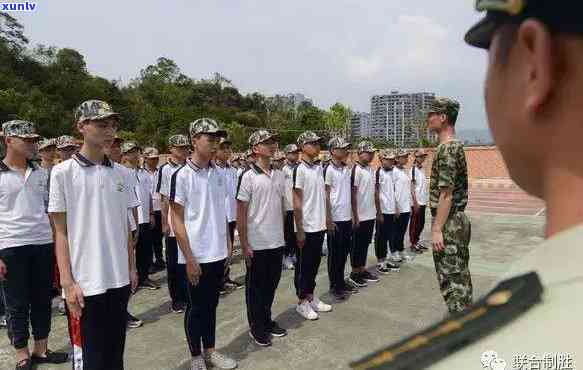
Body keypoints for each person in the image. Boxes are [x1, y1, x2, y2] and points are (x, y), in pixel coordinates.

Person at [49, 100, 138, 370]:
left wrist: (132, 269)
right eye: (101, 125)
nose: (109, 131)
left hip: (119, 278)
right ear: (82, 127)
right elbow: (61, 232)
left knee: (115, 352)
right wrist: (67, 283)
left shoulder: (123, 173)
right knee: (92, 357)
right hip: (86, 283)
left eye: (112, 125)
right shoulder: (63, 173)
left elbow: (125, 227)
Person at [170, 118, 237, 370]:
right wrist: (189, 257)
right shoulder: (182, 175)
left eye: (216, 139)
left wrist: (228, 243)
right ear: (194, 140)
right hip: (195, 254)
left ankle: (210, 350)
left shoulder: (219, 174)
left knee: (211, 305)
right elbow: (176, 218)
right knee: (195, 307)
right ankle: (196, 355)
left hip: (216, 252)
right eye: (210, 139)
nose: (215, 144)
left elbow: (221, 212)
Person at [1, 120, 68, 370]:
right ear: (9, 141)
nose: (33, 144)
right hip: (10, 246)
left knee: (42, 300)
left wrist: (56, 241)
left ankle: (41, 349)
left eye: (34, 140)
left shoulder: (41, 172)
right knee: (16, 303)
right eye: (26, 140)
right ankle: (22, 353)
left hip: (42, 243)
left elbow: (50, 211)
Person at [237, 129, 287, 347]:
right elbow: (241, 213)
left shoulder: (279, 174)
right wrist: (245, 243)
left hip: (276, 241)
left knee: (271, 284)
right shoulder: (247, 177)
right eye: (267, 142)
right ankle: (256, 327)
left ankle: (266, 320)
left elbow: (282, 208)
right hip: (257, 243)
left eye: (273, 141)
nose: (272, 145)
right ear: (256, 149)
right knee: (256, 288)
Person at [293, 131, 332, 320]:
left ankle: (310, 295)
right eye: (313, 143)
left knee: (314, 264)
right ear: (303, 146)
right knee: (303, 266)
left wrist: (326, 219)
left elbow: (321, 197)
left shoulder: (318, 168)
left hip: (318, 224)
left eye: (318, 143)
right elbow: (297, 201)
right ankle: (302, 302)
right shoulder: (299, 169)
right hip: (306, 226)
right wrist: (299, 229)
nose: (317, 146)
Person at [105, 136, 143, 329]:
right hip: (106, 234)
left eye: (118, 145)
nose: (116, 149)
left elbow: (132, 204)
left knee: (127, 273)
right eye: (114, 145)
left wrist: (134, 225)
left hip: (125, 229)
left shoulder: (124, 173)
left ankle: (123, 311)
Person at [156, 134, 190, 313]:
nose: (183, 151)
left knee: (187, 261)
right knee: (174, 263)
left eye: (185, 147)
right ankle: (177, 298)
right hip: (172, 221)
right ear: (171, 149)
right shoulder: (165, 170)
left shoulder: (190, 167)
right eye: (180, 148)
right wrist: (164, 222)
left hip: (188, 222)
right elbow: (163, 199)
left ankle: (188, 294)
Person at [122, 142, 159, 291]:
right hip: (130, 219)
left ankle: (143, 277)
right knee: (129, 251)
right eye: (130, 151)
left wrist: (151, 213)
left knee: (145, 250)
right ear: (124, 154)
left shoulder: (143, 173)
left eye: (136, 151)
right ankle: (128, 281)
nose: (134, 154)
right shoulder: (122, 172)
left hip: (144, 217)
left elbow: (149, 194)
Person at [324, 137, 358, 300]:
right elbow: (325, 195)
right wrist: (328, 219)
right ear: (332, 151)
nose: (346, 151)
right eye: (342, 148)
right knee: (335, 254)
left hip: (346, 217)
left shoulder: (346, 169)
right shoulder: (328, 169)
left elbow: (348, 194)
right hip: (335, 219)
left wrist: (352, 215)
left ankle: (341, 281)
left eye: (346, 148)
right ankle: (334, 285)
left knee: (344, 253)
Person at [349, 140, 379, 288]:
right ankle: (354, 273)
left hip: (370, 214)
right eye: (369, 152)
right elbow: (353, 194)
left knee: (365, 244)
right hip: (360, 215)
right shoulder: (356, 170)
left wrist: (376, 212)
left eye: (373, 152)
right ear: (360, 153)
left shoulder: (370, 170)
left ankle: (362, 269)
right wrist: (355, 215)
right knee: (357, 245)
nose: (372, 155)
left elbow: (373, 192)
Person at [215, 137, 243, 294]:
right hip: (220, 217)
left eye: (228, 148)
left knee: (229, 249)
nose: (226, 151)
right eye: (222, 148)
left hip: (232, 215)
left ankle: (225, 276)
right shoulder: (213, 170)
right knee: (220, 249)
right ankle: (217, 280)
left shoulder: (233, 171)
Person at [374, 150, 401, 275]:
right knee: (381, 237)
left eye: (392, 159)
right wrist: (379, 212)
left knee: (388, 236)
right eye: (388, 159)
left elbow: (393, 191)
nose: (391, 161)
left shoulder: (391, 173)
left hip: (391, 210)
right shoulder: (378, 173)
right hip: (383, 211)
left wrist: (396, 207)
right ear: (382, 160)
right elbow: (376, 193)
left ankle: (385, 258)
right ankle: (380, 261)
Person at [143, 147, 166, 272]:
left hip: (159, 208)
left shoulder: (159, 172)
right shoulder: (141, 173)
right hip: (147, 209)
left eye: (156, 159)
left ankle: (159, 259)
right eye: (152, 159)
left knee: (158, 236)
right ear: (145, 159)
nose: (155, 161)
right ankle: (149, 262)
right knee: (148, 238)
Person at [392, 149, 413, 263]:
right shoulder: (393, 171)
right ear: (397, 158)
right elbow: (392, 190)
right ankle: (394, 251)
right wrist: (395, 207)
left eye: (406, 156)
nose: (406, 158)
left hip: (406, 206)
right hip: (398, 207)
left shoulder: (405, 171)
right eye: (403, 156)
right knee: (396, 231)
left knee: (402, 231)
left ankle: (401, 250)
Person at [282, 144, 300, 270]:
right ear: (287, 154)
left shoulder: (299, 168)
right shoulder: (283, 170)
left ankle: (294, 254)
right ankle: (287, 256)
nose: (295, 154)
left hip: (298, 207)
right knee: (288, 234)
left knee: (296, 233)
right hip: (287, 206)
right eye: (292, 152)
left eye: (296, 152)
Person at [409, 149, 429, 253]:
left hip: (423, 201)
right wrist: (415, 202)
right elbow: (412, 187)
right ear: (416, 157)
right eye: (421, 156)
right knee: (414, 224)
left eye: (424, 156)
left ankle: (417, 241)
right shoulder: (413, 170)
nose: (423, 158)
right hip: (416, 203)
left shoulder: (422, 169)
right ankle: (413, 244)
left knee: (421, 223)